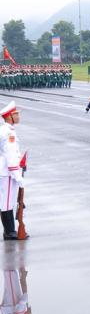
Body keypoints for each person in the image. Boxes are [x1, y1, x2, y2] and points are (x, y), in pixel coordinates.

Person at [0, 103, 24, 241]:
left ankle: (10, 230)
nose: (18, 117)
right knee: (8, 202)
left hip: (4, 169)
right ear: (9, 117)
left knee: (6, 200)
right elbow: (10, 156)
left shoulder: (4, 129)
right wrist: (17, 176)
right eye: (16, 114)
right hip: (8, 172)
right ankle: (9, 232)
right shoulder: (9, 133)